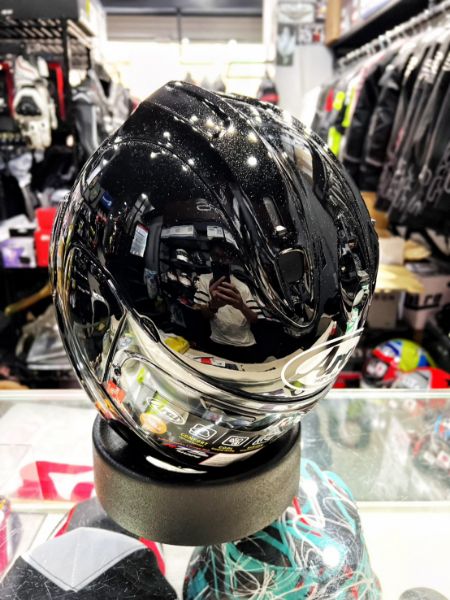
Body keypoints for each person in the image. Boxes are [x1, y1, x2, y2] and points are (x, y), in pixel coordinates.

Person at [194, 241, 262, 363]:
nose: (220, 260)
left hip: (246, 345)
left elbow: (255, 319)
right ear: (211, 256)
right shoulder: (204, 280)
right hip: (218, 343)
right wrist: (213, 306)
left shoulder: (243, 286)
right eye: (216, 255)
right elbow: (200, 315)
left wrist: (241, 306)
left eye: (224, 257)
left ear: (230, 259)